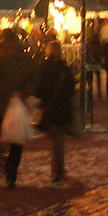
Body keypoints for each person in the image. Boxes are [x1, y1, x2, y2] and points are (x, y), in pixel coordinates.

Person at [0, 27, 36, 188]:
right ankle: (11, 175)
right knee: (16, 141)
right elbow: (34, 79)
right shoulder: (26, 58)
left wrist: (8, 93)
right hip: (18, 105)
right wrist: (21, 93)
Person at [34, 41, 76, 183]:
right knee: (58, 140)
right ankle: (58, 168)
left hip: (48, 109)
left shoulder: (43, 68)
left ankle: (57, 169)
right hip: (62, 109)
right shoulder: (65, 69)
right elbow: (71, 90)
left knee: (55, 140)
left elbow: (37, 90)